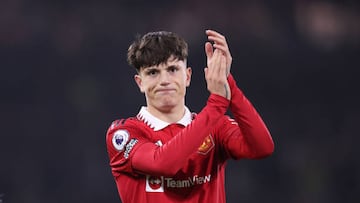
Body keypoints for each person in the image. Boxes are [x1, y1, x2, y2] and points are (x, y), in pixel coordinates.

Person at [106, 29, 274, 203]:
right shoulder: (123, 134)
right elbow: (163, 164)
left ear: (187, 77)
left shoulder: (216, 127)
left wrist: (227, 82)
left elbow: (262, 147)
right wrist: (217, 104)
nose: (164, 80)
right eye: (153, 72)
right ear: (140, 82)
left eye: (172, 69)